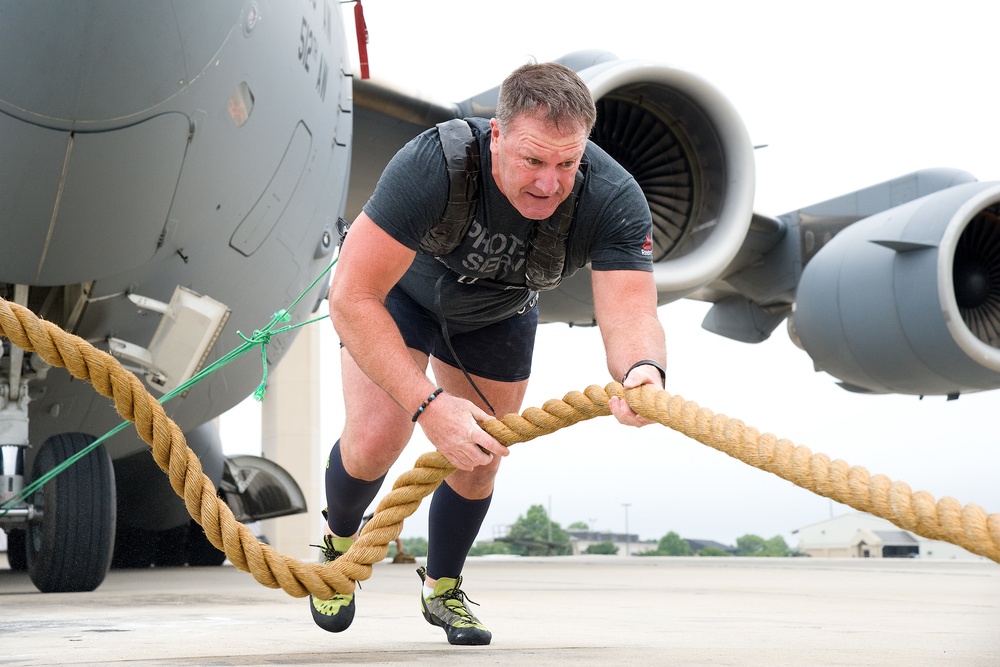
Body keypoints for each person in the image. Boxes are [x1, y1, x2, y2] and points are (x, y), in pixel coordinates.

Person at [312, 61, 667, 646]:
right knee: (377, 438)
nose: (549, 183)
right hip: (399, 298)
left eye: (566, 163)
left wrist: (643, 371)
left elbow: (631, 313)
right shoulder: (434, 165)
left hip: (496, 314)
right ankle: (340, 545)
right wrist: (428, 405)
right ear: (497, 135)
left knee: (480, 457)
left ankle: (443, 586)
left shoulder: (613, 198)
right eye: (533, 160)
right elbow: (351, 296)